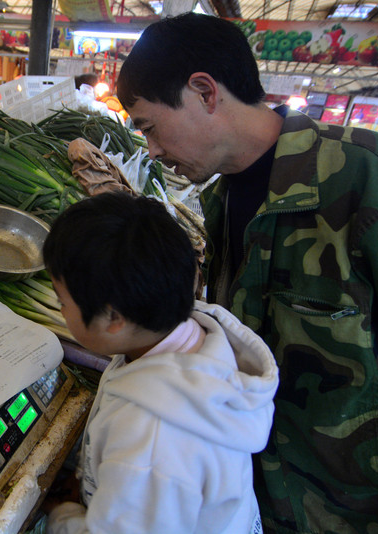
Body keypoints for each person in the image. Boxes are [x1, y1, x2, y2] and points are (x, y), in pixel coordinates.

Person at [116, 12, 378, 534]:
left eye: (150, 127)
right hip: (272, 507)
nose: (151, 150)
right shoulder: (224, 202)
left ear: (204, 91)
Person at [42, 192, 279, 534]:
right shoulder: (185, 339)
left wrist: (62, 518)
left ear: (114, 317)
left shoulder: (149, 446)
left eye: (61, 300)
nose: (60, 309)